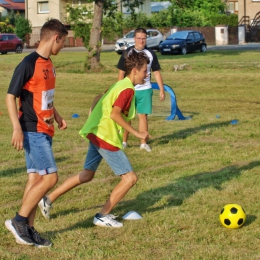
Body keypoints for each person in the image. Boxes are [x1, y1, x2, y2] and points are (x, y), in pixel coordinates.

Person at [38, 50, 150, 228]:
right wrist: (137, 133)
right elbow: (115, 114)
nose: (147, 74)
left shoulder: (120, 84)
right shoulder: (127, 89)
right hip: (105, 136)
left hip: (97, 133)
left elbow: (101, 99)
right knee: (130, 179)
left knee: (87, 174)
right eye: (145, 70)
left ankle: (47, 199)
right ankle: (102, 215)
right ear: (135, 70)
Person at [5, 19, 68, 247]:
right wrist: (16, 129)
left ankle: (29, 230)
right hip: (33, 130)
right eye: (63, 42)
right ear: (55, 38)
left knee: (34, 179)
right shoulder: (27, 64)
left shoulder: (49, 63)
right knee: (50, 177)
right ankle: (19, 221)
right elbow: (10, 96)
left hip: (46, 129)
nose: (63, 47)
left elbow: (45, 96)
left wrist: (58, 116)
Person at [117, 28, 165, 152]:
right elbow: (121, 72)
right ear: (134, 39)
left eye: (143, 38)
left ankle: (143, 143)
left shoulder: (150, 53)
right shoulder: (127, 52)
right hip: (129, 89)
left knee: (142, 116)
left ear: (146, 39)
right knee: (126, 117)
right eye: (138, 38)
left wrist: (161, 89)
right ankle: (123, 142)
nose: (141, 41)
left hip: (145, 89)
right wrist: (119, 89)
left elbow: (157, 73)